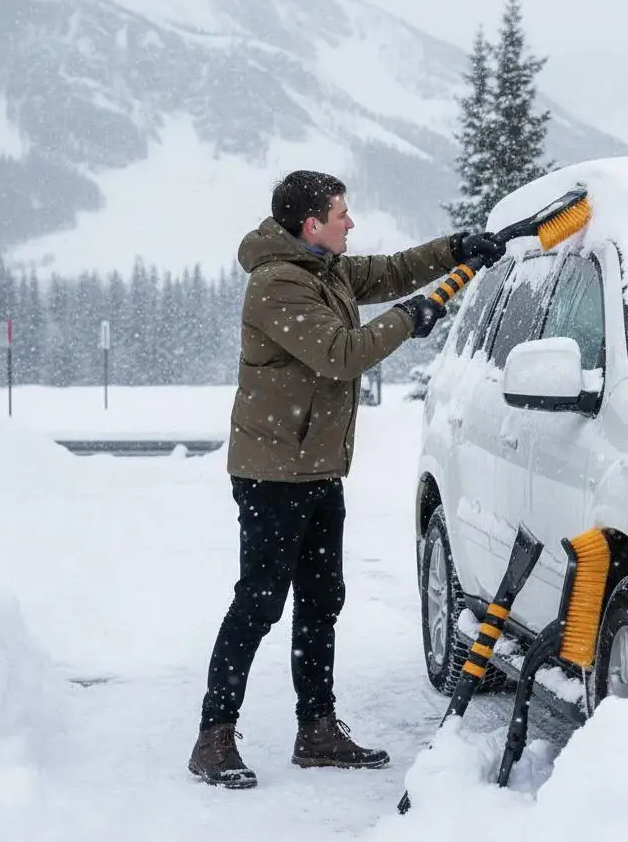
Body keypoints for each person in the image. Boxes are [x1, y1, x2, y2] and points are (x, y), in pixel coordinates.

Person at [187, 170, 506, 788]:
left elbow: (387, 272)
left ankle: (317, 729)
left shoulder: (323, 268)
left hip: (317, 467)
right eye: (342, 214)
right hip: (273, 474)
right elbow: (342, 353)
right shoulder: (278, 284)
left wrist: (455, 249)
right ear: (312, 225)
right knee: (258, 602)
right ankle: (214, 735)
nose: (350, 223)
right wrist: (418, 315)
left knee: (321, 597)